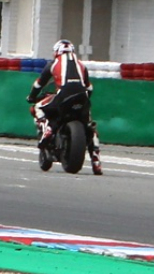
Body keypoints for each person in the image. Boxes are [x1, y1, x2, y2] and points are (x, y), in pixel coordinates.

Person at [30, 38, 104, 175]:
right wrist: (85, 99)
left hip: (63, 96)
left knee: (38, 107)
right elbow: (89, 88)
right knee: (90, 127)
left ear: (57, 52)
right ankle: (96, 162)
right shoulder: (81, 65)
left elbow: (39, 84)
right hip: (82, 97)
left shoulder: (53, 64)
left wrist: (31, 97)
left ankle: (47, 130)